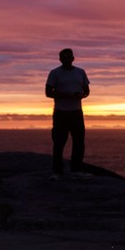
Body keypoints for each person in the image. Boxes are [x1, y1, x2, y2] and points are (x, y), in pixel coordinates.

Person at [45, 48, 91, 180]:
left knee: (79, 142)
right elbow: (48, 92)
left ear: (73, 58)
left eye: (69, 57)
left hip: (76, 112)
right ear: (60, 59)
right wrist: (66, 95)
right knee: (59, 142)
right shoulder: (55, 73)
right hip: (61, 113)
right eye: (64, 58)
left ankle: (76, 169)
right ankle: (57, 172)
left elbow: (86, 90)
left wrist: (81, 95)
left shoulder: (80, 72)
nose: (67, 60)